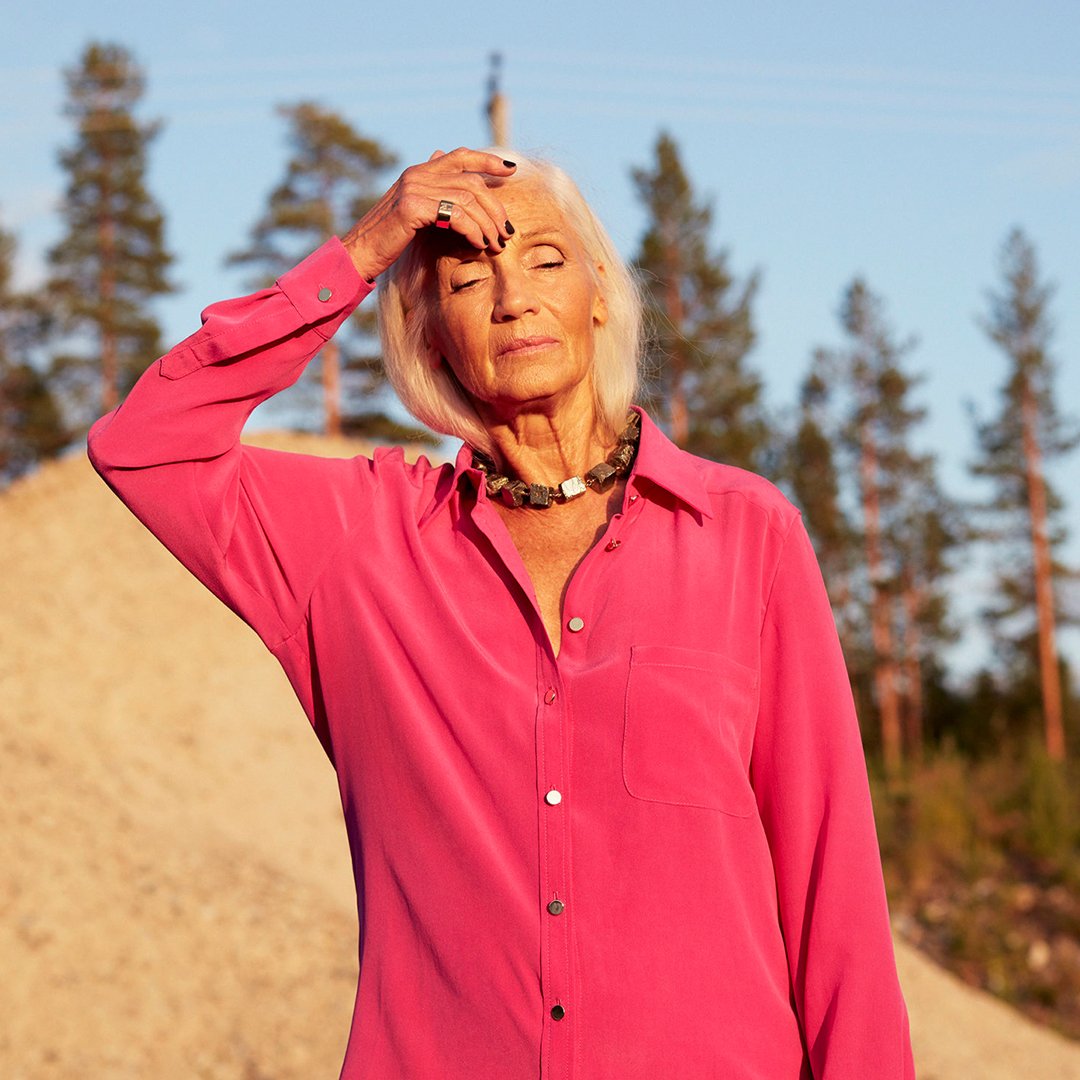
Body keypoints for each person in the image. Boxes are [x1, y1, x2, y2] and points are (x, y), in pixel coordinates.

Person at [88, 147, 915, 1079]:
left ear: (598, 293)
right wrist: (363, 251)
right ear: (430, 335)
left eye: (545, 260)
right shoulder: (357, 543)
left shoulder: (745, 534)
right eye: (468, 278)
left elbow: (831, 884)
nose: (513, 298)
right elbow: (145, 447)